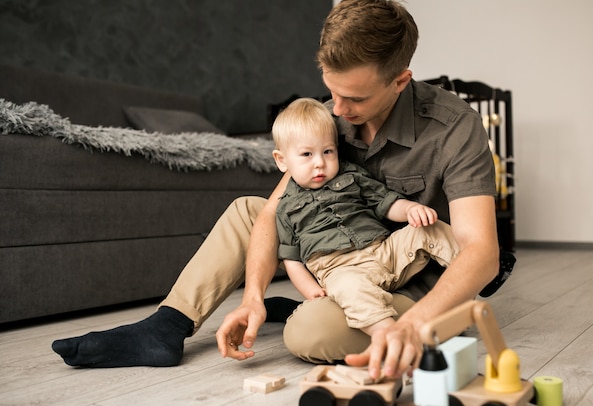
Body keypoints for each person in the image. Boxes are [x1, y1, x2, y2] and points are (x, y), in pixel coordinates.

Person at [52, 0, 510, 380]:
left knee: (308, 335)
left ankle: (305, 312)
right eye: (332, 92)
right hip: (337, 263)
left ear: (400, 80)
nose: (339, 109)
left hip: (407, 283)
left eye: (356, 98)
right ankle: (166, 327)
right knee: (247, 209)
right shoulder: (333, 114)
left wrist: (412, 326)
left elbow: (480, 251)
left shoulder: (454, 126)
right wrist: (251, 296)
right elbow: (272, 212)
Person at [270, 97, 459, 338]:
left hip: (384, 251)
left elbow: (385, 202)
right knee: (351, 290)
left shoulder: (351, 175)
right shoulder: (285, 208)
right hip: (340, 270)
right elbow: (292, 259)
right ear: (282, 160)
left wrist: (411, 209)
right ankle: (389, 336)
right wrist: (311, 291)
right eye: (307, 154)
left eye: (328, 151)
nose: (320, 163)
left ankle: (473, 266)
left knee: (427, 228)